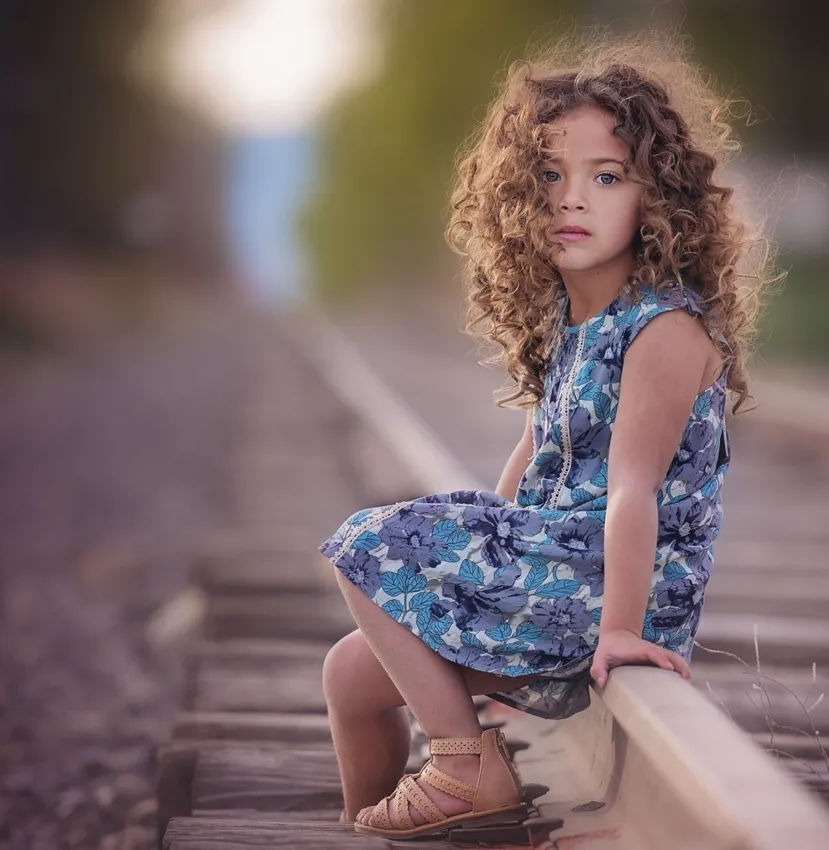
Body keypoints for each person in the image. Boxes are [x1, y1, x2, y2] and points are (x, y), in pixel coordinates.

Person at [316, 31, 775, 840]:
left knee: (369, 543)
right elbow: (536, 449)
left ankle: (463, 764)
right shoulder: (573, 318)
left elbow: (633, 490)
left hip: (611, 589)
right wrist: (485, 556)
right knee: (350, 672)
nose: (572, 199)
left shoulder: (662, 329)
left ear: (657, 197)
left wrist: (620, 631)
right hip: (555, 571)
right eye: (550, 175)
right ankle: (368, 825)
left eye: (606, 177)